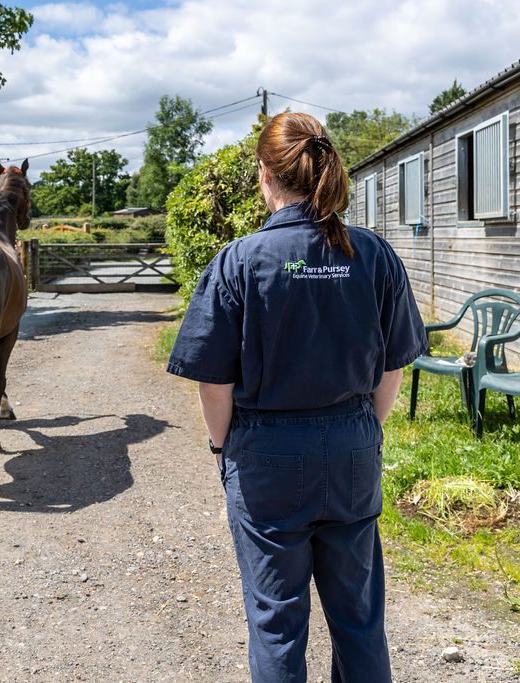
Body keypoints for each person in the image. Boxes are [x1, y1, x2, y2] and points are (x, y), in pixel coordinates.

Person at [166, 112, 428, 682]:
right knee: (359, 618)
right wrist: (365, 428)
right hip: (353, 446)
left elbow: (215, 383)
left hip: (267, 458)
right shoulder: (374, 254)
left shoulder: (238, 261)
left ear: (266, 174)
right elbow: (392, 368)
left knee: (276, 622)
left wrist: (222, 450)